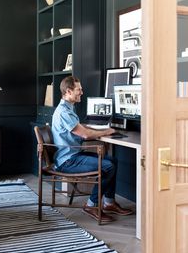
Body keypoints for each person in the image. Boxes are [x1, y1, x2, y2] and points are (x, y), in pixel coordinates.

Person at [52, 75, 133, 222]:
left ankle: (108, 203)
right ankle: (91, 205)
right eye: (79, 90)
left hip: (73, 156)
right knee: (107, 166)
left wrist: (94, 128)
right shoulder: (64, 112)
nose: (82, 92)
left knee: (112, 160)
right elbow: (84, 135)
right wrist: (105, 132)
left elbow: (80, 128)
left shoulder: (68, 108)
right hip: (68, 161)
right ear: (69, 91)